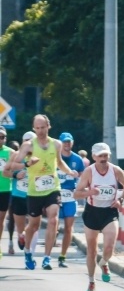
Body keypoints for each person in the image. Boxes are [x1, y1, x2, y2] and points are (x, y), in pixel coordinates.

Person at [11, 114, 80, 270]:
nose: (40, 131)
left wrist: (69, 172)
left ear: (49, 126)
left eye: (43, 127)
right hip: (34, 191)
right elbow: (14, 165)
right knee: (34, 225)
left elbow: (59, 162)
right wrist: (28, 164)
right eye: (37, 128)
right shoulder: (28, 146)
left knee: (53, 219)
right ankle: (27, 251)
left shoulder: (56, 144)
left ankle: (47, 258)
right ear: (34, 128)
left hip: (52, 187)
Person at [72, 143, 124, 291]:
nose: (103, 159)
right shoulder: (89, 172)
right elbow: (76, 194)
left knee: (109, 246)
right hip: (92, 212)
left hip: (109, 212)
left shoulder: (115, 170)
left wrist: (120, 200)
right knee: (91, 250)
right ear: (94, 157)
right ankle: (91, 282)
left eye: (106, 155)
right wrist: (90, 192)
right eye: (100, 156)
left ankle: (104, 262)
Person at [3, 132, 37, 256]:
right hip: (18, 195)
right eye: (26, 141)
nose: (29, 144)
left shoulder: (40, 156)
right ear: (23, 142)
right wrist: (15, 175)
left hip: (34, 196)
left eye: (31, 141)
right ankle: (21, 236)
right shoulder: (16, 155)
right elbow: (5, 172)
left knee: (35, 225)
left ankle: (30, 253)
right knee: (20, 228)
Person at [55, 132, 86, 267]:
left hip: (70, 196)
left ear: (72, 142)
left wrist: (80, 187)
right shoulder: (54, 157)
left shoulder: (77, 159)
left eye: (69, 141)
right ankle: (47, 255)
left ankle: (62, 256)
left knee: (69, 228)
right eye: (64, 142)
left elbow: (83, 177)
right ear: (60, 143)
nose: (67, 144)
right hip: (55, 195)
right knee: (53, 225)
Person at [0, 127, 12, 259]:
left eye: (2, 137)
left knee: (1, 219)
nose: (0, 140)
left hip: (5, 190)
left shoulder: (10, 152)